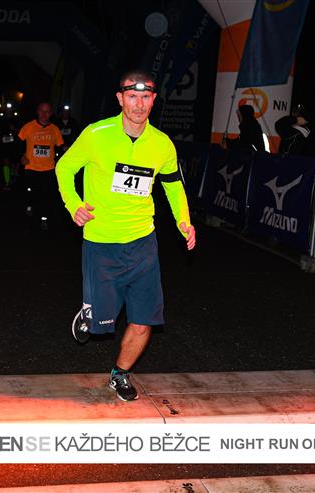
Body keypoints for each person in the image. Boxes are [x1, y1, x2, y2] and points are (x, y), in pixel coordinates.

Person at [55, 69, 196, 402]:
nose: (139, 104)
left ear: (154, 100)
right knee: (101, 326)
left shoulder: (162, 144)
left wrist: (184, 221)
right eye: (132, 96)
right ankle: (91, 310)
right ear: (120, 99)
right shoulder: (96, 134)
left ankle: (120, 374)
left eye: (145, 97)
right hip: (101, 242)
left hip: (143, 243)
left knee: (144, 321)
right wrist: (74, 205)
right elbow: (64, 167)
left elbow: (173, 185)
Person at [18, 102, 64, 229]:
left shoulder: (55, 129)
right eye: (42, 111)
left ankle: (44, 219)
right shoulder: (28, 127)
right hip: (31, 167)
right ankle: (29, 205)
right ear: (37, 112)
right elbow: (18, 143)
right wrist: (22, 156)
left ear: (51, 114)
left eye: (47, 111)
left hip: (48, 168)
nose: (44, 114)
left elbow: (60, 147)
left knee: (46, 195)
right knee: (32, 192)